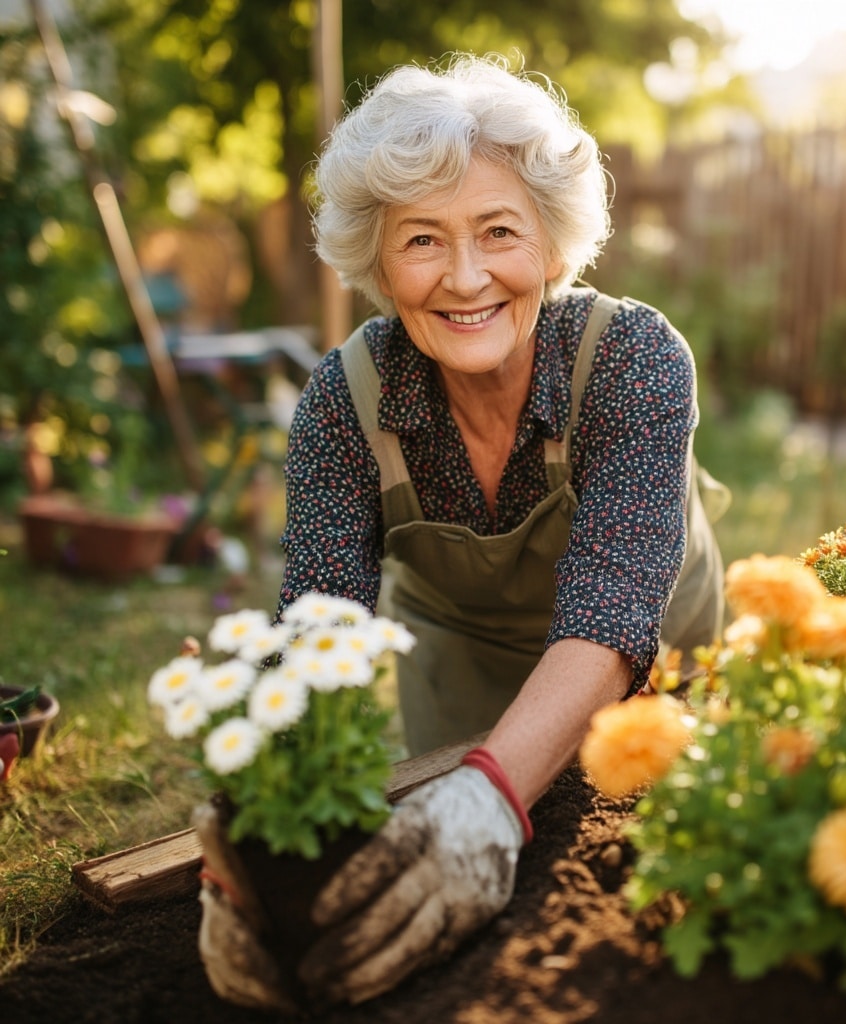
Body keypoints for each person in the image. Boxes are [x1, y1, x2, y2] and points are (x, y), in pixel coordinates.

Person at [196, 52, 726, 1012]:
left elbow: (612, 617)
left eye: (498, 231)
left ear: (554, 244)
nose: (466, 277)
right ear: (377, 257)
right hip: (464, 670)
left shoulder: (634, 359)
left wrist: (491, 790)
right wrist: (246, 843)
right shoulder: (345, 405)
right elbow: (316, 633)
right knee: (476, 915)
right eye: (423, 241)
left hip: (662, 663)